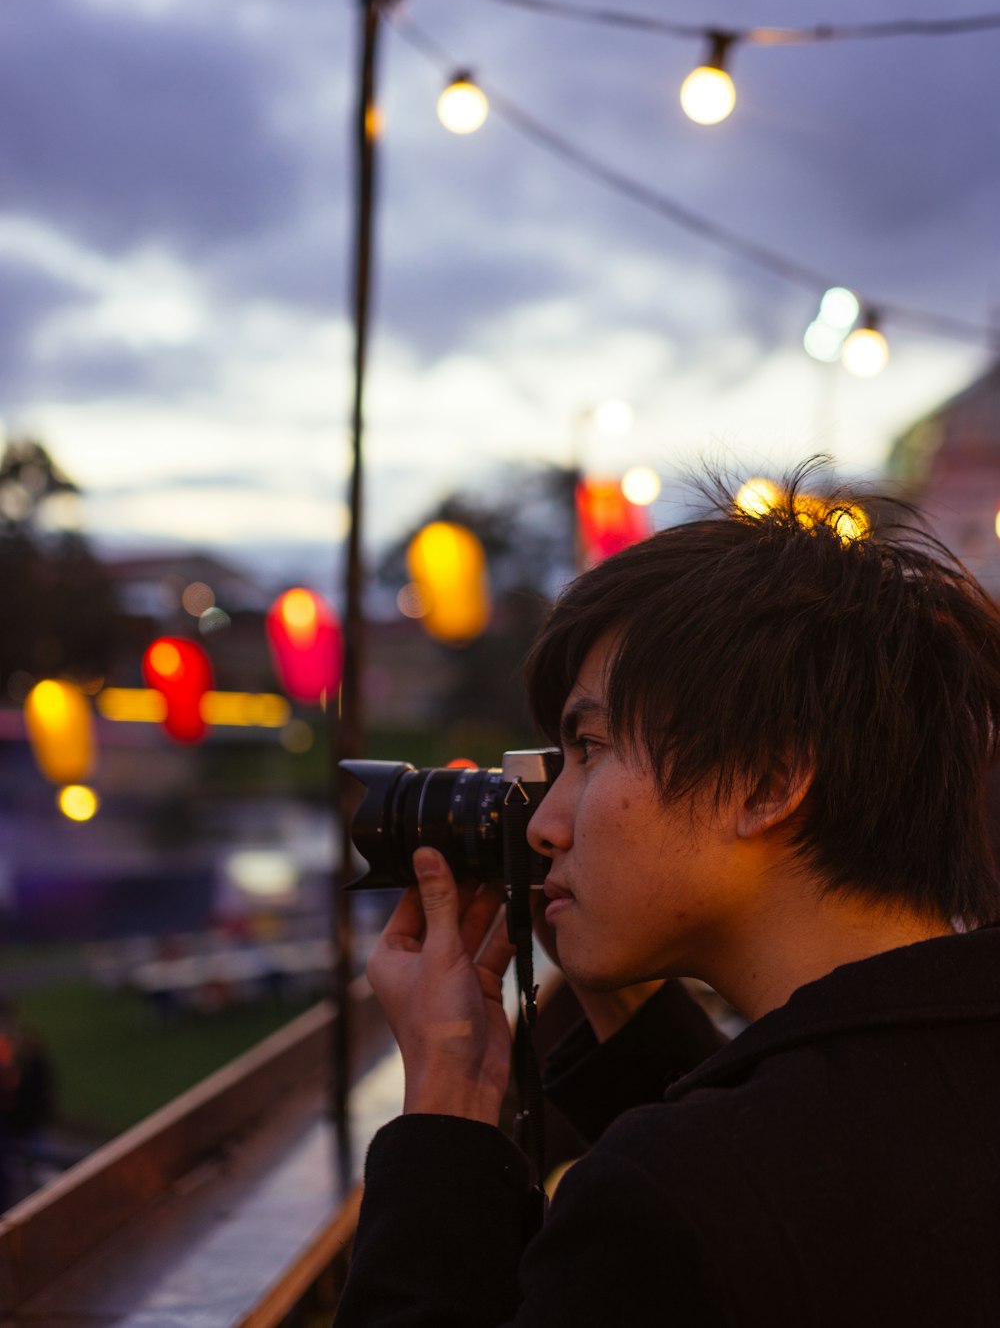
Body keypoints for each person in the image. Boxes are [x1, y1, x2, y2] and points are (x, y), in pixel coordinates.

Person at [334, 468, 1000, 1327]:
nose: (545, 825)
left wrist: (446, 1107)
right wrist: (644, 1031)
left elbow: (728, 1202)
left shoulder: (676, 1201)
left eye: (591, 747)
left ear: (765, 782)